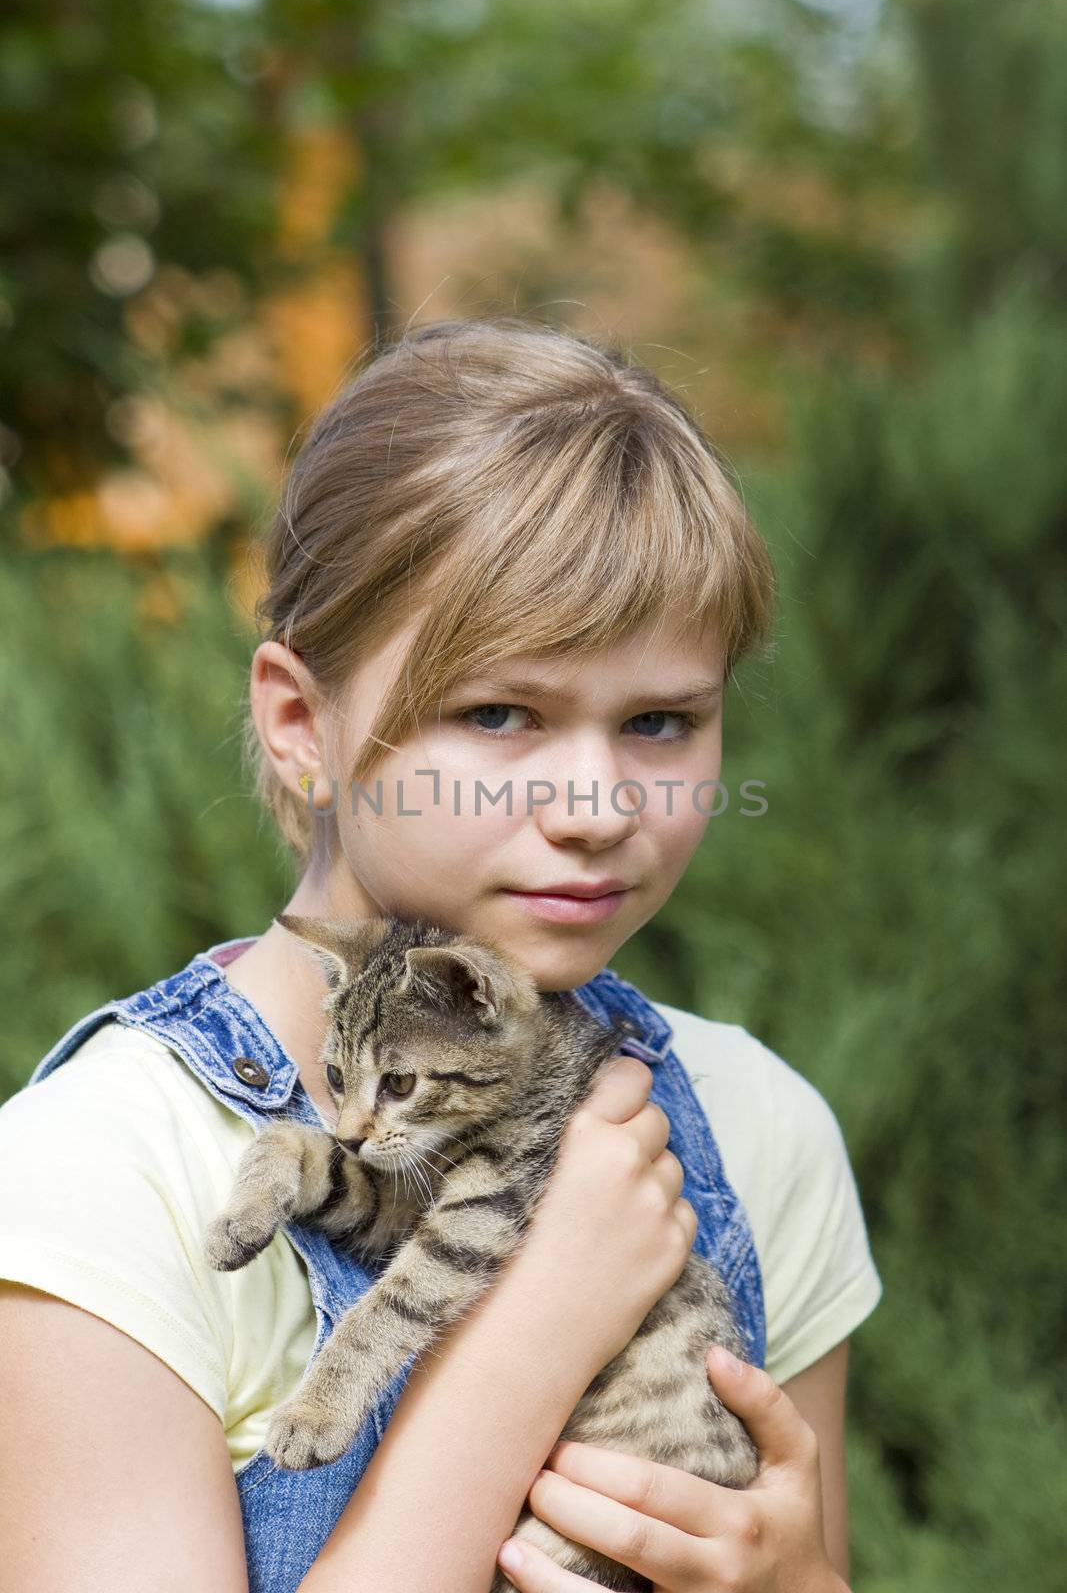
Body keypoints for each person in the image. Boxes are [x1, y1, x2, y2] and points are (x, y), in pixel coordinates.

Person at [0, 316, 881, 1593]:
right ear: (301, 722)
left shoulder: (759, 1129)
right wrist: (527, 1338)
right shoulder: (94, 1181)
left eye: (658, 720)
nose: (596, 804)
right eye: (499, 712)